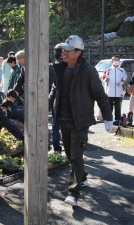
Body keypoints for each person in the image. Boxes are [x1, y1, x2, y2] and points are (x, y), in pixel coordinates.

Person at [49, 35, 113, 207]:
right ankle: (82, 176)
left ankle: (73, 192)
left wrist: (108, 117)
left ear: (78, 52)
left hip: (80, 121)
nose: (64, 53)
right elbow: (55, 90)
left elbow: (99, 94)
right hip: (62, 119)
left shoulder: (88, 71)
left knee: (76, 156)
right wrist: (47, 107)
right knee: (70, 155)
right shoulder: (59, 68)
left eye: (68, 50)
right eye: (63, 49)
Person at [102, 55, 128, 121]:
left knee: (118, 107)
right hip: (109, 92)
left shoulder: (122, 70)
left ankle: (117, 120)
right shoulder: (107, 70)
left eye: (117, 60)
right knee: (109, 108)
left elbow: (124, 78)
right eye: (114, 60)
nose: (115, 61)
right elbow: (104, 78)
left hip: (118, 92)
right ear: (111, 61)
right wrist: (106, 80)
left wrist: (121, 83)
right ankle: (109, 120)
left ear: (119, 61)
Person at [50, 44, 63, 154]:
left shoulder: (53, 65)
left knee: (55, 124)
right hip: (65, 100)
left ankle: (56, 147)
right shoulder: (67, 65)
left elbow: (54, 86)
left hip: (55, 100)